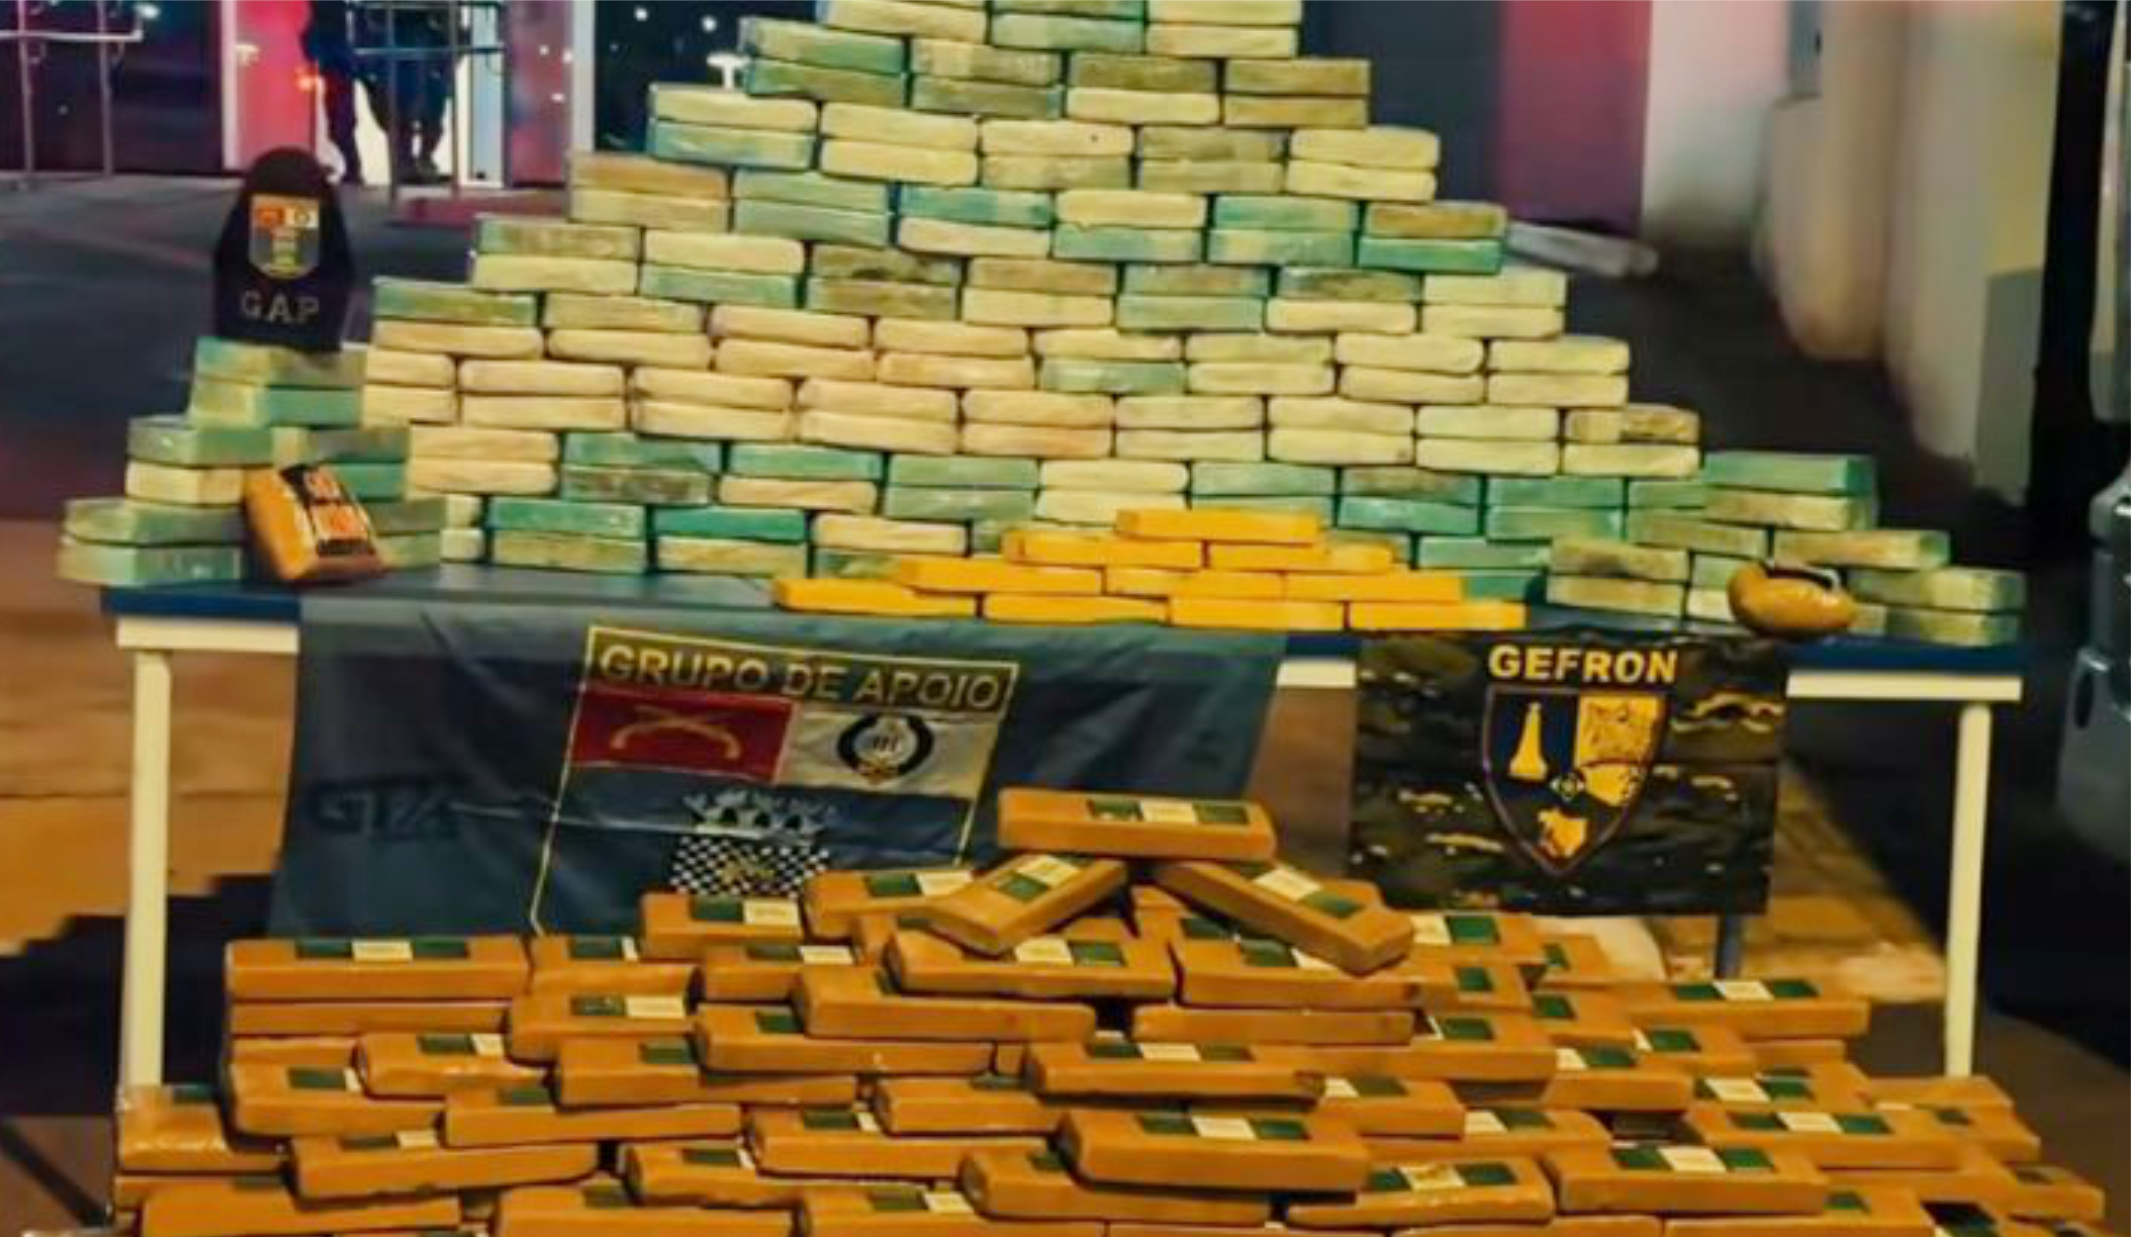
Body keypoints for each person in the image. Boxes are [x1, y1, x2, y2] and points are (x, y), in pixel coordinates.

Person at [301, 0, 364, 185]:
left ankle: (353, 166)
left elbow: (311, 41)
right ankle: (353, 166)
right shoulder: (332, 15)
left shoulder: (328, 15)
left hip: (338, 67)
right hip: (338, 67)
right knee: (340, 122)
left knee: (340, 122)